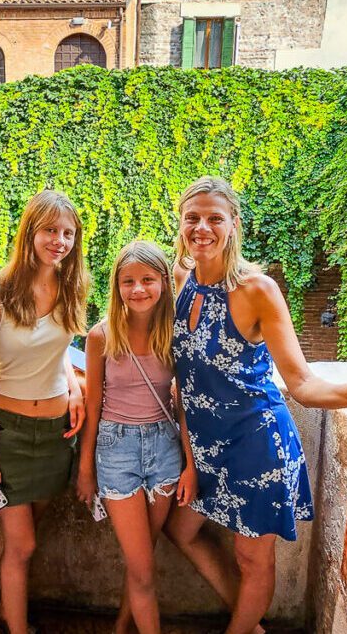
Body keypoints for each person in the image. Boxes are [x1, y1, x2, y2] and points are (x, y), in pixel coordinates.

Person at [167, 176, 347, 634]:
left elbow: (300, 382)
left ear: (234, 224)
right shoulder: (181, 281)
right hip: (207, 450)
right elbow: (178, 375)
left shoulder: (258, 290)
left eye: (215, 218)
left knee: (251, 558)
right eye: (192, 218)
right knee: (179, 532)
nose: (202, 228)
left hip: (258, 448)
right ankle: (249, 623)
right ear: (180, 224)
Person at [0, 190, 88, 634]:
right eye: (50, 230)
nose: (59, 241)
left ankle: (6, 609)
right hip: (10, 435)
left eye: (68, 233)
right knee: (22, 545)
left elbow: (59, 349)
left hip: (58, 434)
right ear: (29, 232)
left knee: (28, 538)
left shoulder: (69, 285)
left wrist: (75, 387)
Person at [76, 240, 197, 634]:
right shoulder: (101, 336)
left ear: (163, 281)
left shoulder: (174, 335)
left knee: (143, 557)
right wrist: (85, 468)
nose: (138, 289)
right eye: (128, 281)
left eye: (147, 279)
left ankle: (121, 626)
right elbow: (93, 407)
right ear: (117, 286)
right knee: (143, 568)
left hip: (165, 449)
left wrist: (190, 465)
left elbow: (182, 406)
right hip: (116, 452)